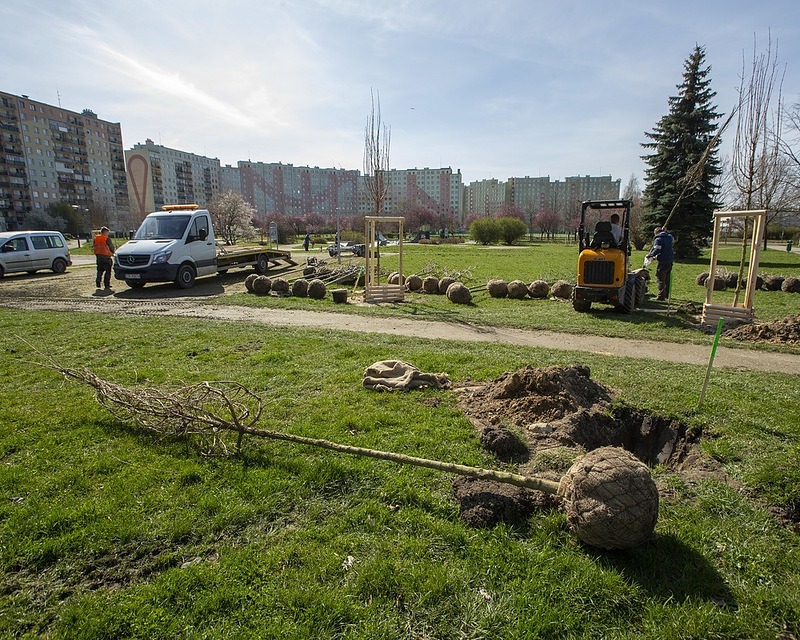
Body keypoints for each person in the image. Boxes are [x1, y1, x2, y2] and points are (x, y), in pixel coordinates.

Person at [645, 226, 674, 301]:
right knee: (667, 278)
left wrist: (650, 255)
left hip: (663, 261)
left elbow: (657, 250)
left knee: (660, 278)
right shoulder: (670, 237)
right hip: (670, 261)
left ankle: (661, 296)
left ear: (656, 233)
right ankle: (666, 294)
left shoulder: (658, 239)